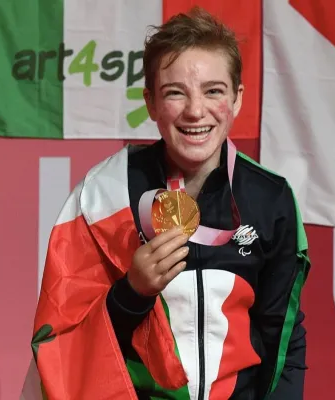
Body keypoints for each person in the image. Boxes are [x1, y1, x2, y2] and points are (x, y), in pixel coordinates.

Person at [32, 7, 310, 400]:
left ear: (237, 99)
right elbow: (64, 339)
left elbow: (283, 338)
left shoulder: (270, 197)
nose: (195, 111)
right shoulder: (105, 193)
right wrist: (133, 292)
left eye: (213, 91)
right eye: (175, 92)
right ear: (150, 102)